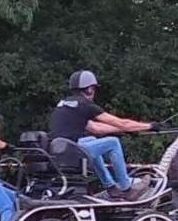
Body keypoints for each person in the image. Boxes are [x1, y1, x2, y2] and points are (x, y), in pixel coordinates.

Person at [48, 70, 162, 201]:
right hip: (72, 152)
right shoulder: (86, 105)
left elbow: (95, 128)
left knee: (91, 139)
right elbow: (122, 122)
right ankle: (126, 186)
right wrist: (150, 126)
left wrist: (123, 131)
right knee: (113, 142)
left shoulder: (67, 104)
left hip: (61, 151)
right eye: (94, 88)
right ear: (89, 89)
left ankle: (111, 187)